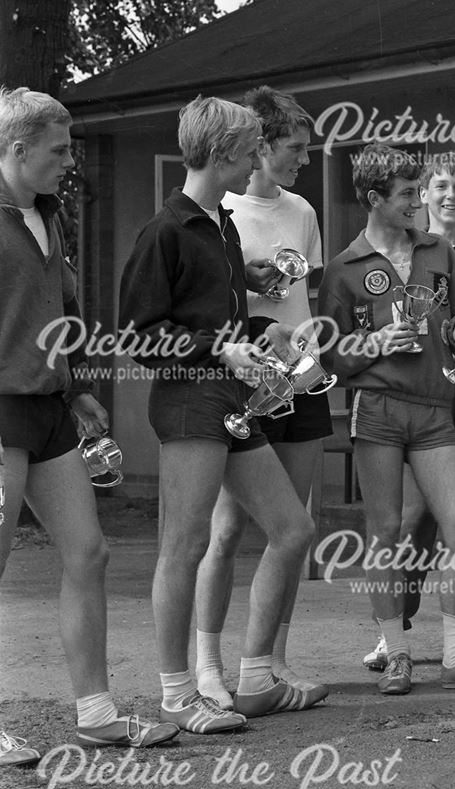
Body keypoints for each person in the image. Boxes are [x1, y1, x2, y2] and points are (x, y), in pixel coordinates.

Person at [119, 96, 322, 735]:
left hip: (230, 400)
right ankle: (179, 696)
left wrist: (256, 311)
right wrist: (222, 348)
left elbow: (216, 316)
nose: (256, 161)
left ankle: (256, 677)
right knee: (186, 545)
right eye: (251, 149)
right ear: (228, 153)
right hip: (188, 403)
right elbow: (137, 336)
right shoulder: (167, 230)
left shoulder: (222, 227)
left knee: (293, 530)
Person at [0, 86, 177, 755]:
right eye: (57, 149)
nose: (67, 161)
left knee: (89, 551)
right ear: (18, 148)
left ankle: (97, 711)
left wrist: (76, 390)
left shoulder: (51, 214)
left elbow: (56, 313)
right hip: (0, 411)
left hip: (48, 412)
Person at [317, 143, 455, 696]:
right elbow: (328, 355)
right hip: (375, 410)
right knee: (384, 533)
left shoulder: (439, 254)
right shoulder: (343, 268)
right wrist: (373, 342)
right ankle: (397, 652)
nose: (417, 203)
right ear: (375, 199)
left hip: (434, 409)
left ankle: (454, 655)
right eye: (406, 195)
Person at [194, 87, 330, 708]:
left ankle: (271, 660)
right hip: (247, 385)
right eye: (295, 148)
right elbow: (211, 305)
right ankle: (206, 664)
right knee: (225, 531)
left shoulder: (302, 210)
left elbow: (308, 294)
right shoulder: (217, 209)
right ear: (261, 146)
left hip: (302, 382)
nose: (304, 158)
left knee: (292, 526)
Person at [361, 152, 455, 671]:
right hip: (424, 396)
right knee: (414, 516)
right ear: (422, 195)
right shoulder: (408, 253)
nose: (450, 195)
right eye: (439, 186)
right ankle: (395, 629)